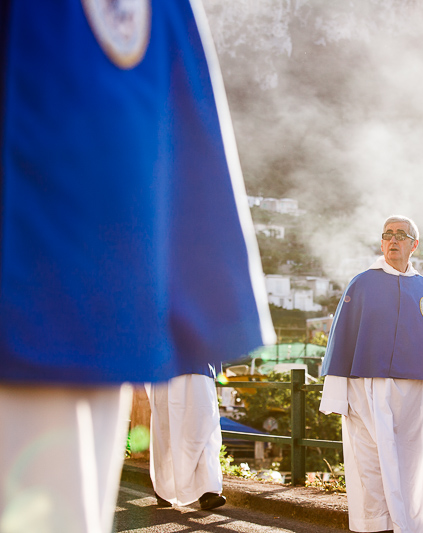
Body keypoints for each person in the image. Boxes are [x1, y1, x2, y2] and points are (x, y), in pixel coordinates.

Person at [0, 2, 274, 532]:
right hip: (55, 276)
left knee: (66, 505)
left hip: (98, 286)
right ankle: (176, 488)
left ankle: (197, 487)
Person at [319, 215, 423, 533]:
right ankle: (375, 527)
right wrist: (334, 395)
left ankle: (411, 527)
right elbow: (342, 339)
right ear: (381, 242)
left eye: (401, 234)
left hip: (415, 399)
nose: (393, 240)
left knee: (413, 466)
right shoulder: (361, 284)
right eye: (387, 234)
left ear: (414, 244)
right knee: (369, 465)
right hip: (366, 393)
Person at [148, 370, 227, 511]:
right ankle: (165, 489)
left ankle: (208, 492)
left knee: (205, 426)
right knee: (166, 430)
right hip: (165, 366)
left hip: (200, 365)